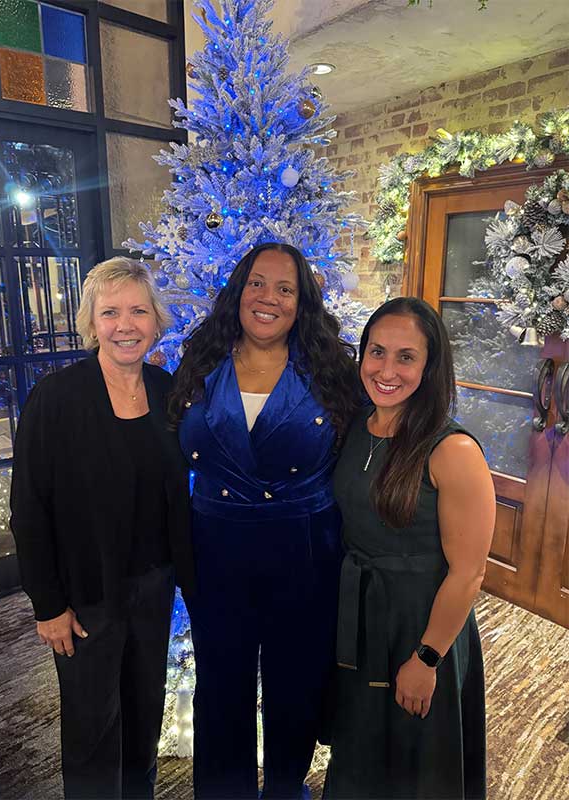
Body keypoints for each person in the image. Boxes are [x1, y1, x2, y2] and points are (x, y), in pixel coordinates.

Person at [168, 242, 363, 799]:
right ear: (239, 290)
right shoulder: (202, 357)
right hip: (216, 548)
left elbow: (365, 451)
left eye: (285, 289)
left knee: (294, 687)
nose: (268, 298)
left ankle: (284, 789)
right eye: (257, 283)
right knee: (220, 686)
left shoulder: (332, 372)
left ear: (302, 304)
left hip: (303, 549)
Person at [10, 257, 195, 800]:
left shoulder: (169, 391)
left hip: (154, 587)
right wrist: (47, 605)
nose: (126, 325)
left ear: (155, 320)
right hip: (85, 594)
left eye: (138, 310)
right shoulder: (57, 398)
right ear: (92, 323)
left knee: (143, 717)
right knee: (93, 731)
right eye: (110, 312)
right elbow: (28, 508)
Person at [323, 297, 496, 800]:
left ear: (429, 366)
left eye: (406, 357)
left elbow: (468, 573)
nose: (386, 370)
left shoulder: (452, 449)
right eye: (376, 352)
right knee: (361, 749)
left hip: (423, 621)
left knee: (416, 761)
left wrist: (427, 658)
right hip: (362, 613)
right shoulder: (358, 425)